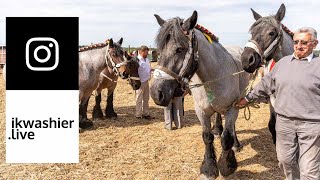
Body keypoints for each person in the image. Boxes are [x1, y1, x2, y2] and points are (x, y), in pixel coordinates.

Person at [238, 27, 320, 179]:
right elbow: (265, 85)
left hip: (311, 125)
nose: (299, 46)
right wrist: (247, 99)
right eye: (296, 42)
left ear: (314, 44)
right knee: (285, 161)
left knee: (309, 170)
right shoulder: (282, 63)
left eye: (304, 42)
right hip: (284, 123)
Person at [135, 46, 154, 119]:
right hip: (140, 82)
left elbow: (147, 68)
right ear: (142, 52)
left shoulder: (146, 59)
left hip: (146, 81)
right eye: (146, 52)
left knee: (146, 99)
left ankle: (146, 114)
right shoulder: (137, 60)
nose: (147, 53)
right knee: (139, 99)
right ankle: (138, 115)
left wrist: (153, 70)